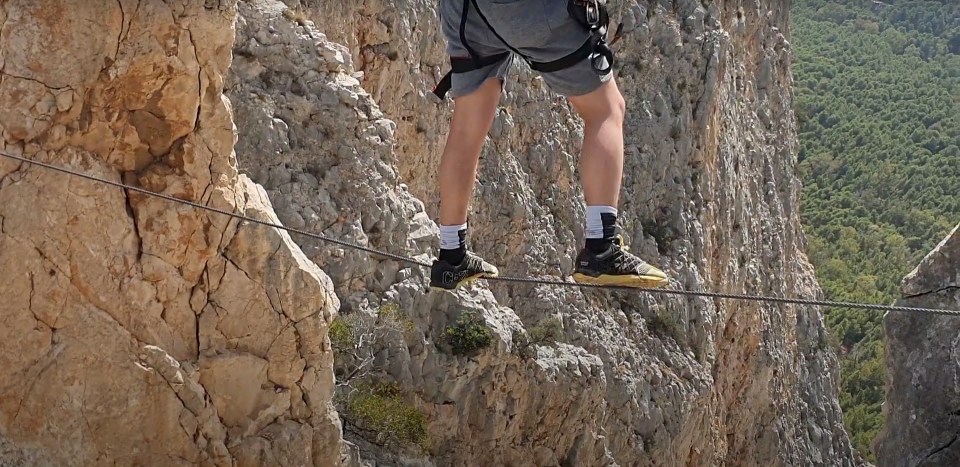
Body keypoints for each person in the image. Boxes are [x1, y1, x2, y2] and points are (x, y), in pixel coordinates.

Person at [429, 0, 668, 290]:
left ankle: (452, 255)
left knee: (467, 128)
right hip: (523, 11)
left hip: (464, 11)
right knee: (606, 109)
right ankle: (601, 248)